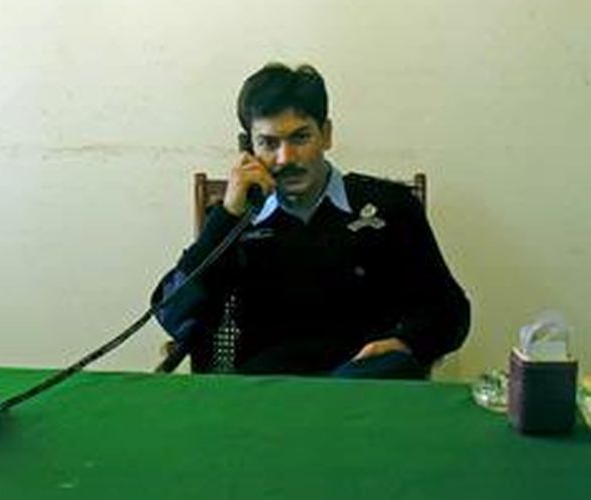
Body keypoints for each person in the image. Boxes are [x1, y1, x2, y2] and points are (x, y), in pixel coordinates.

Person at [151, 63, 469, 379]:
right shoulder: (232, 221)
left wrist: (407, 343)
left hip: (362, 387)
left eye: (300, 137)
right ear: (248, 148)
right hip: (265, 391)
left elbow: (451, 313)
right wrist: (227, 217)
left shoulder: (390, 207)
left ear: (326, 135)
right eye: (269, 143)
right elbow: (172, 314)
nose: (286, 158)